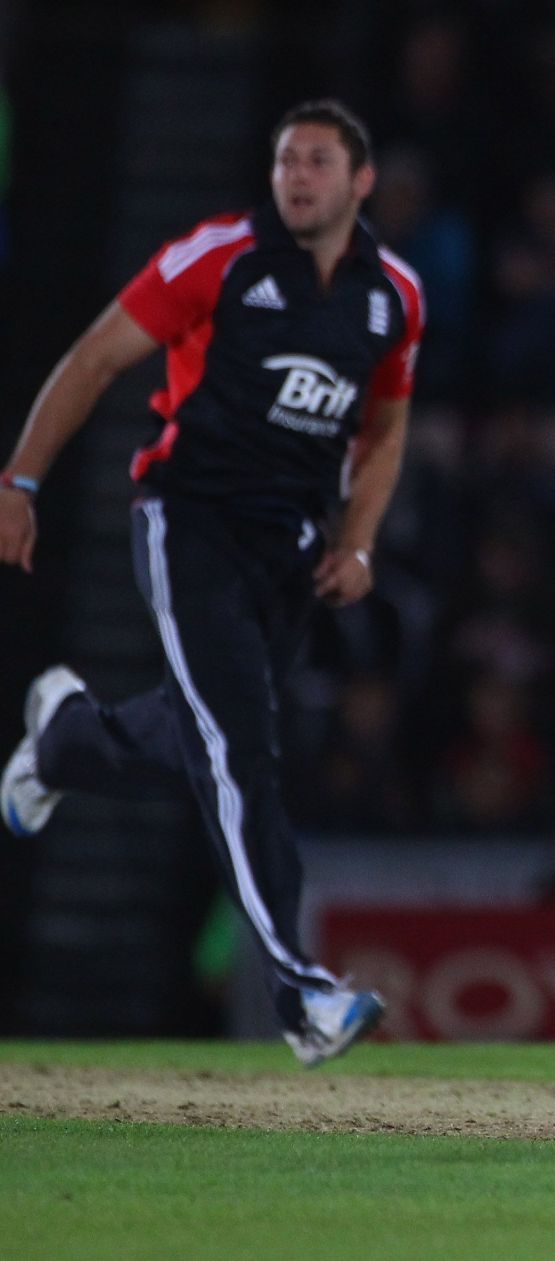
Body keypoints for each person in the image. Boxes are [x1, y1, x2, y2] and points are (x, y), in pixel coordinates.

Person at [0, 99, 422, 1067]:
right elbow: (97, 355)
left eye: (318, 162)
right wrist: (18, 479)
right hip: (185, 518)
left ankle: (64, 740)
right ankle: (302, 991)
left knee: (207, 733)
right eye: (285, 161)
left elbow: (387, 427)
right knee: (242, 747)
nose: (296, 177)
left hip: (291, 546)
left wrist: (357, 545)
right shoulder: (220, 257)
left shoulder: (392, 294)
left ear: (361, 184)